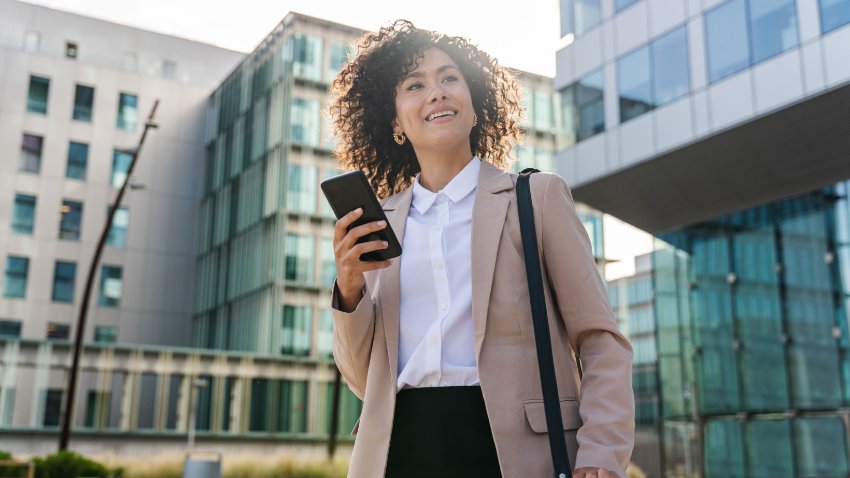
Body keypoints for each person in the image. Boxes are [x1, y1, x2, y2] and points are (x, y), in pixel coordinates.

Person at [328, 20, 634, 478]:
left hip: (511, 453)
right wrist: (349, 289)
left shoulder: (537, 199)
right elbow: (360, 379)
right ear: (394, 122)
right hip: (398, 451)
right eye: (415, 84)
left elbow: (600, 341)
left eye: (450, 78)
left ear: (475, 109)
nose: (437, 92)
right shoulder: (381, 222)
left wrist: (601, 455)